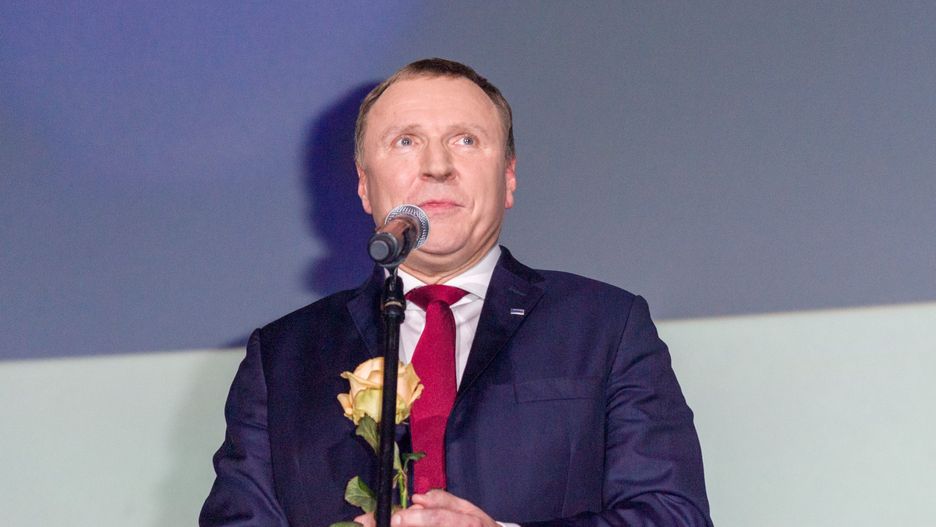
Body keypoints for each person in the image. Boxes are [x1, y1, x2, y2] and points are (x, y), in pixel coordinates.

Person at [200, 58, 713, 527]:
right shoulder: (284, 355)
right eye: (406, 141)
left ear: (508, 177)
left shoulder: (605, 326)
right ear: (363, 185)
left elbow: (674, 515)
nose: (437, 166)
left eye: (465, 140)